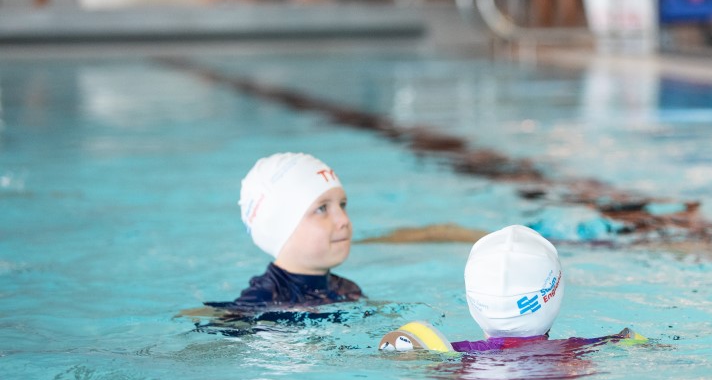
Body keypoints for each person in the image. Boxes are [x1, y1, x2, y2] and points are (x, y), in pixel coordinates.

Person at [378, 225, 642, 353]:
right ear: (555, 293)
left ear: (473, 301)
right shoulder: (580, 351)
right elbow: (636, 342)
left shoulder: (452, 354)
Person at [209, 152, 362, 310]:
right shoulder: (260, 303)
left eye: (342, 204)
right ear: (280, 226)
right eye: (321, 208)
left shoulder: (347, 290)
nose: (343, 220)